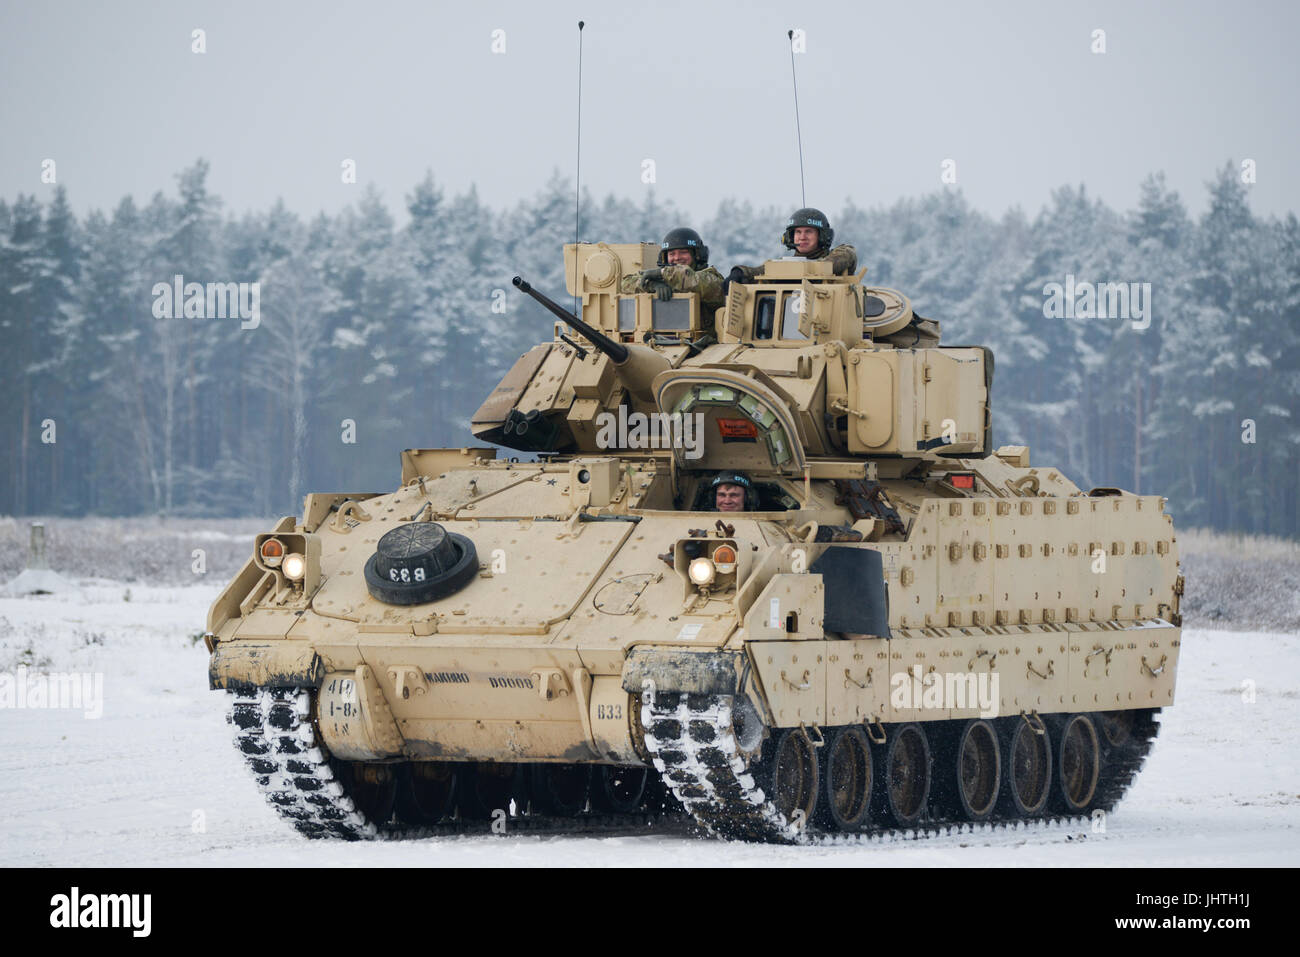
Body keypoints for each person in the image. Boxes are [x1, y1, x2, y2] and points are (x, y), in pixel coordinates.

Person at [621, 227, 726, 338]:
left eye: (683, 252)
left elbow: (697, 283)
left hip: (702, 346)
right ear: (665, 257)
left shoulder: (709, 277)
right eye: (671, 254)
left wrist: (663, 273)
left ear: (697, 255)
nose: (677, 258)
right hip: (662, 342)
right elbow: (626, 283)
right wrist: (652, 285)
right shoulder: (662, 276)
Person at [729, 207, 858, 283]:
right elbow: (761, 271)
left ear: (822, 236)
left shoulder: (837, 257)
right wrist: (740, 272)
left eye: (809, 232)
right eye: (798, 232)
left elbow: (847, 254)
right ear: (790, 236)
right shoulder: (784, 265)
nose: (802, 237)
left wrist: (807, 271)